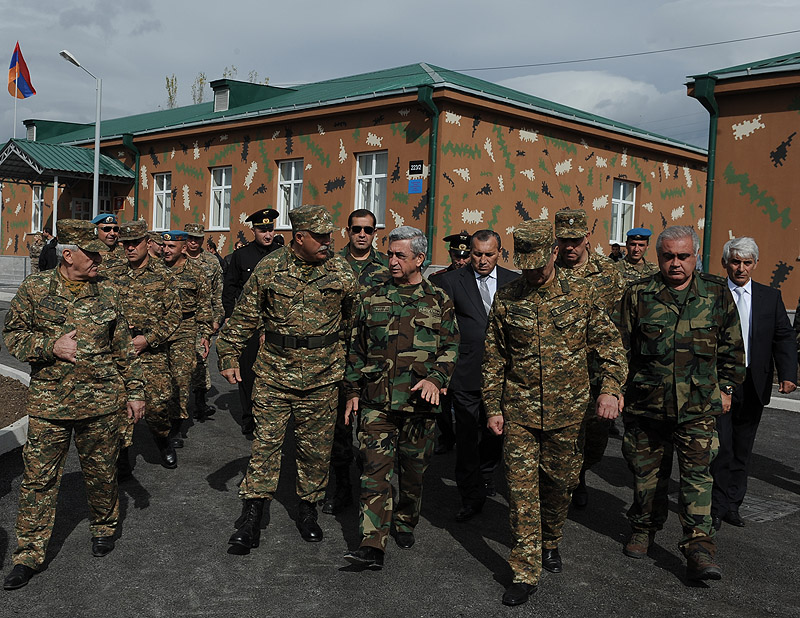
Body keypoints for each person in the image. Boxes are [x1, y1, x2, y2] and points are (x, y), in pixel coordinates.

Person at [482, 219, 626, 606]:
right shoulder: (508, 297)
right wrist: (493, 407)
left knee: (559, 485)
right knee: (521, 491)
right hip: (519, 413)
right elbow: (494, 358)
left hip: (569, 414)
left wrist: (610, 391)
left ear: (552, 253)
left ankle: (551, 539)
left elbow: (611, 348)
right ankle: (525, 570)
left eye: (538, 264)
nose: (531, 272)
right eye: (524, 264)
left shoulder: (580, 294)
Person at [2, 219, 145, 591]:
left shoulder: (107, 293)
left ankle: (103, 527)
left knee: (101, 473)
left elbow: (123, 348)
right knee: (38, 480)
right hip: (51, 405)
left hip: (100, 403)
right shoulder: (35, 289)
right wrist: (51, 347)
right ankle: (28, 554)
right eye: (92, 253)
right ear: (68, 255)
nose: (100, 258)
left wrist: (135, 391)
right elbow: (13, 336)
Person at [218, 205, 359, 551]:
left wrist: (350, 377)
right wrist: (228, 353)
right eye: (321, 236)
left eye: (330, 235)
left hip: (323, 377)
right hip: (274, 374)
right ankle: (252, 516)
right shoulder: (270, 268)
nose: (329, 242)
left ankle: (307, 510)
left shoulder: (340, 270)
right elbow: (244, 315)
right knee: (265, 446)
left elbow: (353, 326)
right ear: (300, 237)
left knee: (314, 451)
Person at [618, 225, 745, 582]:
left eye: (683, 256)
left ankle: (700, 547)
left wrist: (728, 389)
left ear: (696, 257)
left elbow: (733, 350)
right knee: (647, 478)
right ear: (659, 257)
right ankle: (643, 528)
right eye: (668, 256)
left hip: (698, 408)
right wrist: (615, 390)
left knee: (697, 480)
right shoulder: (639, 294)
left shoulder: (716, 294)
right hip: (647, 407)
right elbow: (619, 349)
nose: (676, 263)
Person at [343, 226, 459, 570]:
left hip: (420, 407)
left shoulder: (439, 301)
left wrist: (436, 380)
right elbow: (355, 348)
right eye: (390, 254)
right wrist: (351, 391)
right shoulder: (371, 297)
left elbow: (451, 347)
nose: (392, 261)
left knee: (413, 474)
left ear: (419, 259)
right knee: (374, 473)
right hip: (376, 402)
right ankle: (371, 545)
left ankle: (406, 520)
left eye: (400, 255)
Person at [711, 237, 796, 529]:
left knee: (742, 447)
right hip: (720, 382)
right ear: (726, 263)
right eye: (736, 261)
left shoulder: (769, 297)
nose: (741, 268)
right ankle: (715, 505)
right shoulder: (712, 293)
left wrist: (787, 374)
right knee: (720, 446)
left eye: (747, 263)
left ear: (756, 264)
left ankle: (733, 504)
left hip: (754, 383)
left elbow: (783, 336)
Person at [435, 229, 518, 522]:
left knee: (496, 431)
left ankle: (486, 473)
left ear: (500, 252)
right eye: (477, 254)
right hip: (466, 371)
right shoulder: (450, 281)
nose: (482, 260)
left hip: (505, 373)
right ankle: (470, 494)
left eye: (489, 254)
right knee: (467, 435)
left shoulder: (514, 281)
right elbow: (442, 328)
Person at [553, 209, 624, 508]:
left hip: (597, 373)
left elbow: (621, 329)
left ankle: (581, 471)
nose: (569, 247)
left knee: (595, 439)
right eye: (563, 240)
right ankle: (567, 486)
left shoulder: (609, 275)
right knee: (560, 438)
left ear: (587, 238)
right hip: (557, 370)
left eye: (575, 240)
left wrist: (617, 383)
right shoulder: (547, 271)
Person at [323, 208, 390, 515]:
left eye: (368, 230)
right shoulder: (331, 264)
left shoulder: (387, 267)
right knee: (338, 428)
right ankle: (341, 487)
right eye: (356, 229)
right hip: (335, 358)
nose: (362, 234)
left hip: (373, 360)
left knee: (372, 430)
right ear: (346, 231)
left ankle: (370, 492)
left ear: (375, 233)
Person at [112, 220, 183, 475]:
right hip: (121, 353)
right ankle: (122, 460)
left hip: (152, 353)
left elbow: (174, 316)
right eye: (126, 244)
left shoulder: (163, 275)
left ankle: (163, 441)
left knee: (157, 407)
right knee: (121, 407)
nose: (130, 248)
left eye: (135, 243)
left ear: (147, 243)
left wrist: (149, 339)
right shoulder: (113, 275)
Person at [222, 208, 285, 435]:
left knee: (276, 372)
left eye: (270, 229)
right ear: (253, 230)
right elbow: (230, 289)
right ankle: (249, 415)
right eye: (262, 230)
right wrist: (230, 317)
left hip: (276, 323)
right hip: (249, 324)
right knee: (248, 372)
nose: (267, 234)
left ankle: (271, 415)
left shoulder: (283, 254)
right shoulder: (242, 256)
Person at [162, 230, 214, 449]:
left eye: (171, 247)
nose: (166, 250)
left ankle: (174, 427)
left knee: (181, 379)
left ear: (183, 248)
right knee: (159, 379)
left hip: (185, 328)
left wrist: (205, 335)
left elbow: (204, 305)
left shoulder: (197, 273)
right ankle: (159, 420)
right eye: (164, 246)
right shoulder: (156, 270)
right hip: (159, 328)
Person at [429, 230, 471, 454]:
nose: (461, 261)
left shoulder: (477, 281)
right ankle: (446, 435)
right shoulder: (437, 280)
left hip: (468, 348)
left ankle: (468, 440)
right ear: (451, 254)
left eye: (465, 256)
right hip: (442, 346)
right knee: (442, 399)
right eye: (457, 256)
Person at [184, 223, 224, 419]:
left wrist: (217, 318)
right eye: (190, 238)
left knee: (201, 360)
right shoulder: (176, 259)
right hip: (180, 318)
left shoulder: (211, 261)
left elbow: (218, 292)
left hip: (203, 318)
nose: (193, 242)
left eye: (198, 238)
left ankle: (200, 402)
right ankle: (178, 406)